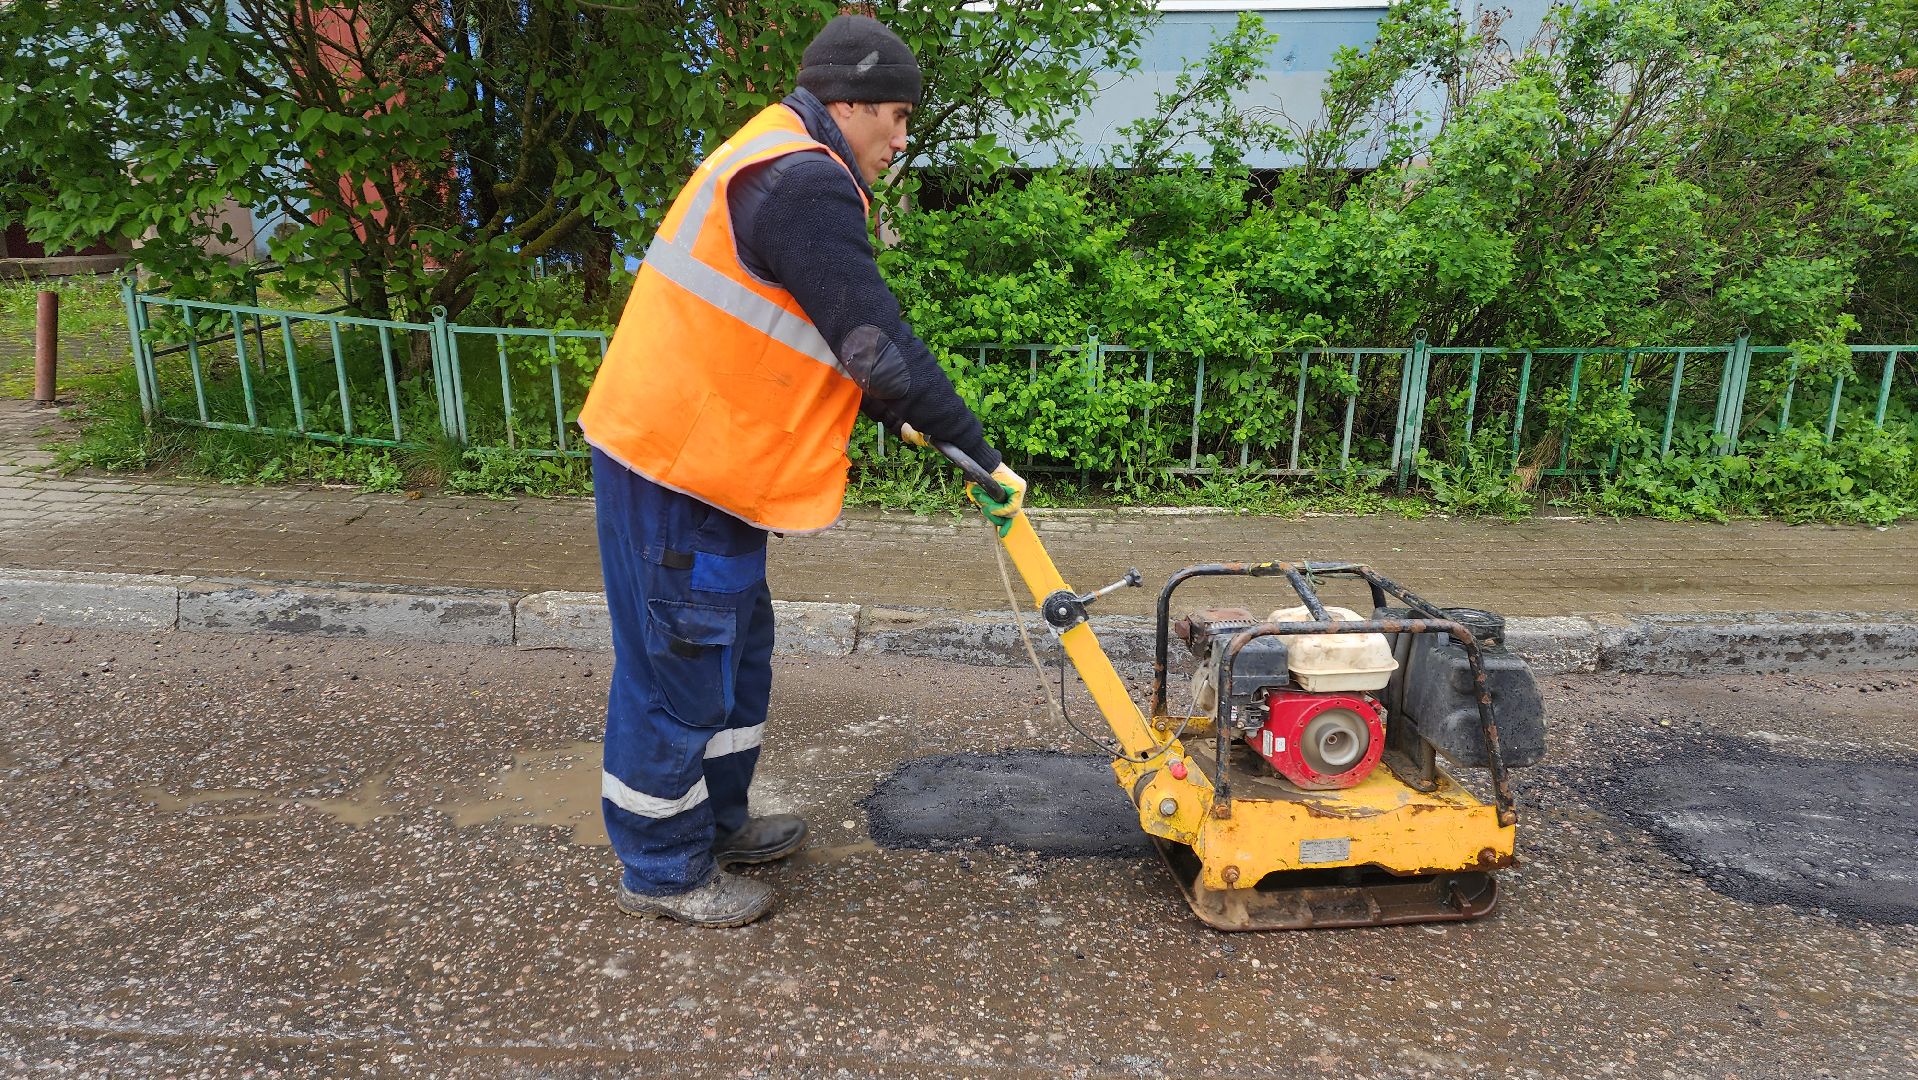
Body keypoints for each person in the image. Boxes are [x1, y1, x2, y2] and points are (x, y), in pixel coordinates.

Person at [576, 14, 1025, 928]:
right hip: (676, 468)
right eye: (895, 116)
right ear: (847, 101)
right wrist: (978, 455)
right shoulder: (799, 182)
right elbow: (876, 345)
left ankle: (719, 825)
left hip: (713, 464)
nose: (901, 139)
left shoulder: (778, 156)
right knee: (679, 669)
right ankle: (663, 869)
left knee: (736, 658)